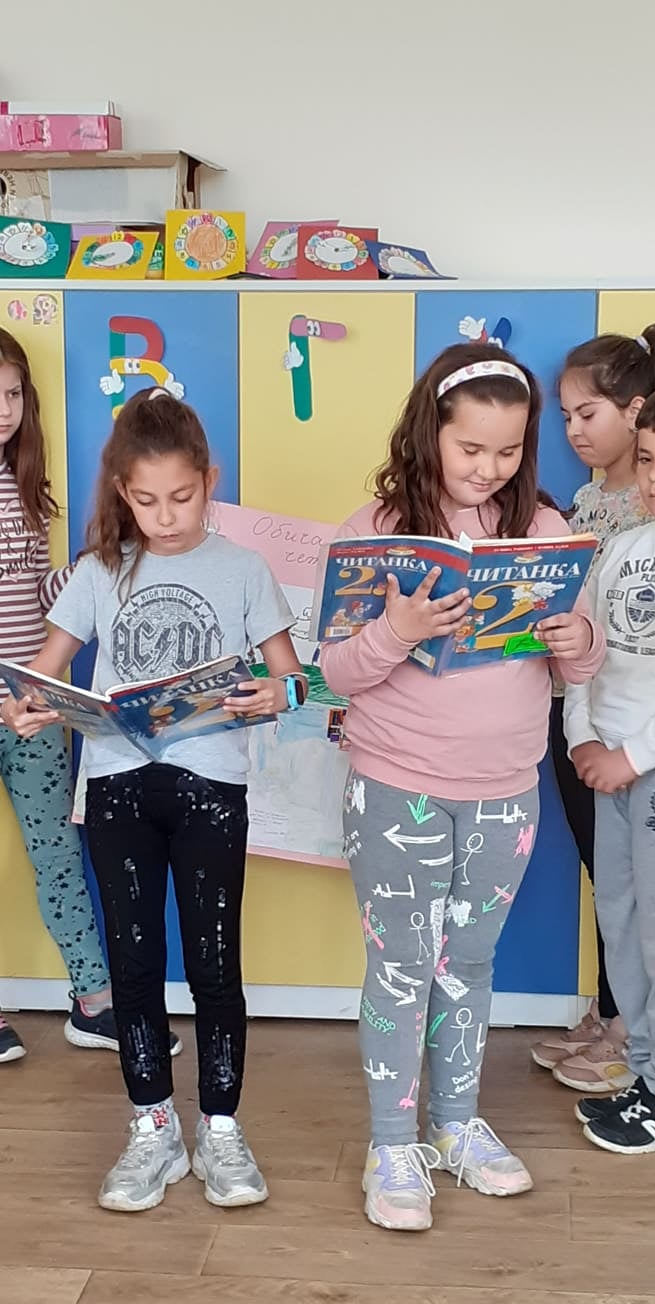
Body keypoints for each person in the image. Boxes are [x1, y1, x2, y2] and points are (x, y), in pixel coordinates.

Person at [320, 342, 605, 1231]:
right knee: (401, 968)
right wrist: (398, 629)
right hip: (395, 785)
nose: (489, 468)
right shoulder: (377, 531)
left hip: (505, 792)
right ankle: (391, 1142)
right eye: (470, 448)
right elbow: (335, 673)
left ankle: (453, 1124)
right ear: (429, 433)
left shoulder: (544, 529)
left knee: (468, 964)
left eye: (509, 450)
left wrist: (577, 642)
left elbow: (579, 663)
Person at [1, 387, 304, 1211]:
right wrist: (25, 705)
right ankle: (153, 1127)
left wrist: (277, 693)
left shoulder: (242, 569)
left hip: (212, 788)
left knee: (215, 966)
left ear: (210, 481)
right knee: (134, 966)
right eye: (145, 500)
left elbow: (293, 679)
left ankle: (221, 1129)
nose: (165, 518)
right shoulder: (101, 569)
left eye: (182, 497)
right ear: (121, 493)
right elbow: (45, 668)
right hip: (116, 788)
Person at [0, 328, 174, 1062]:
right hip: (14, 700)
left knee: (58, 853)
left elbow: (38, 598)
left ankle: (93, 1003)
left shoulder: (24, 491)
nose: (3, 409)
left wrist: (88, 570)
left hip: (34, 704)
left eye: (12, 394)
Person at [531, 330, 655, 1093]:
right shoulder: (585, 504)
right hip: (579, 712)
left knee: (636, 888)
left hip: (632, 732)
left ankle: (629, 1031)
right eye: (566, 416)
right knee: (605, 877)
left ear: (636, 412)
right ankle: (615, 1014)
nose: (574, 430)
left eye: (589, 413)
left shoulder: (640, 513)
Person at [565, 389, 655, 1152]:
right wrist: (583, 741)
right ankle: (646, 1075)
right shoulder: (623, 549)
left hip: (644, 768)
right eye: (649, 461)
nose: (653, 479)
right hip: (608, 767)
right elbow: (582, 656)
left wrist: (634, 756)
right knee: (622, 923)